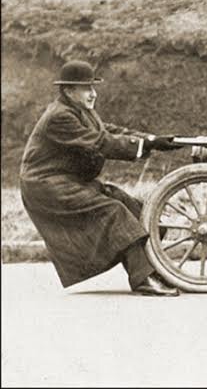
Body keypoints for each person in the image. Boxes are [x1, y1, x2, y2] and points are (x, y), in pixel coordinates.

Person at [19, 60, 183, 297]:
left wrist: (152, 139)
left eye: (93, 87)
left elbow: (110, 131)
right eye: (87, 88)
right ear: (69, 91)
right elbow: (99, 142)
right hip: (48, 185)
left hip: (67, 181)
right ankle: (143, 278)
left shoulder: (79, 111)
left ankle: (151, 268)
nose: (93, 93)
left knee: (130, 205)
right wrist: (147, 144)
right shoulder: (59, 117)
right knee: (113, 212)